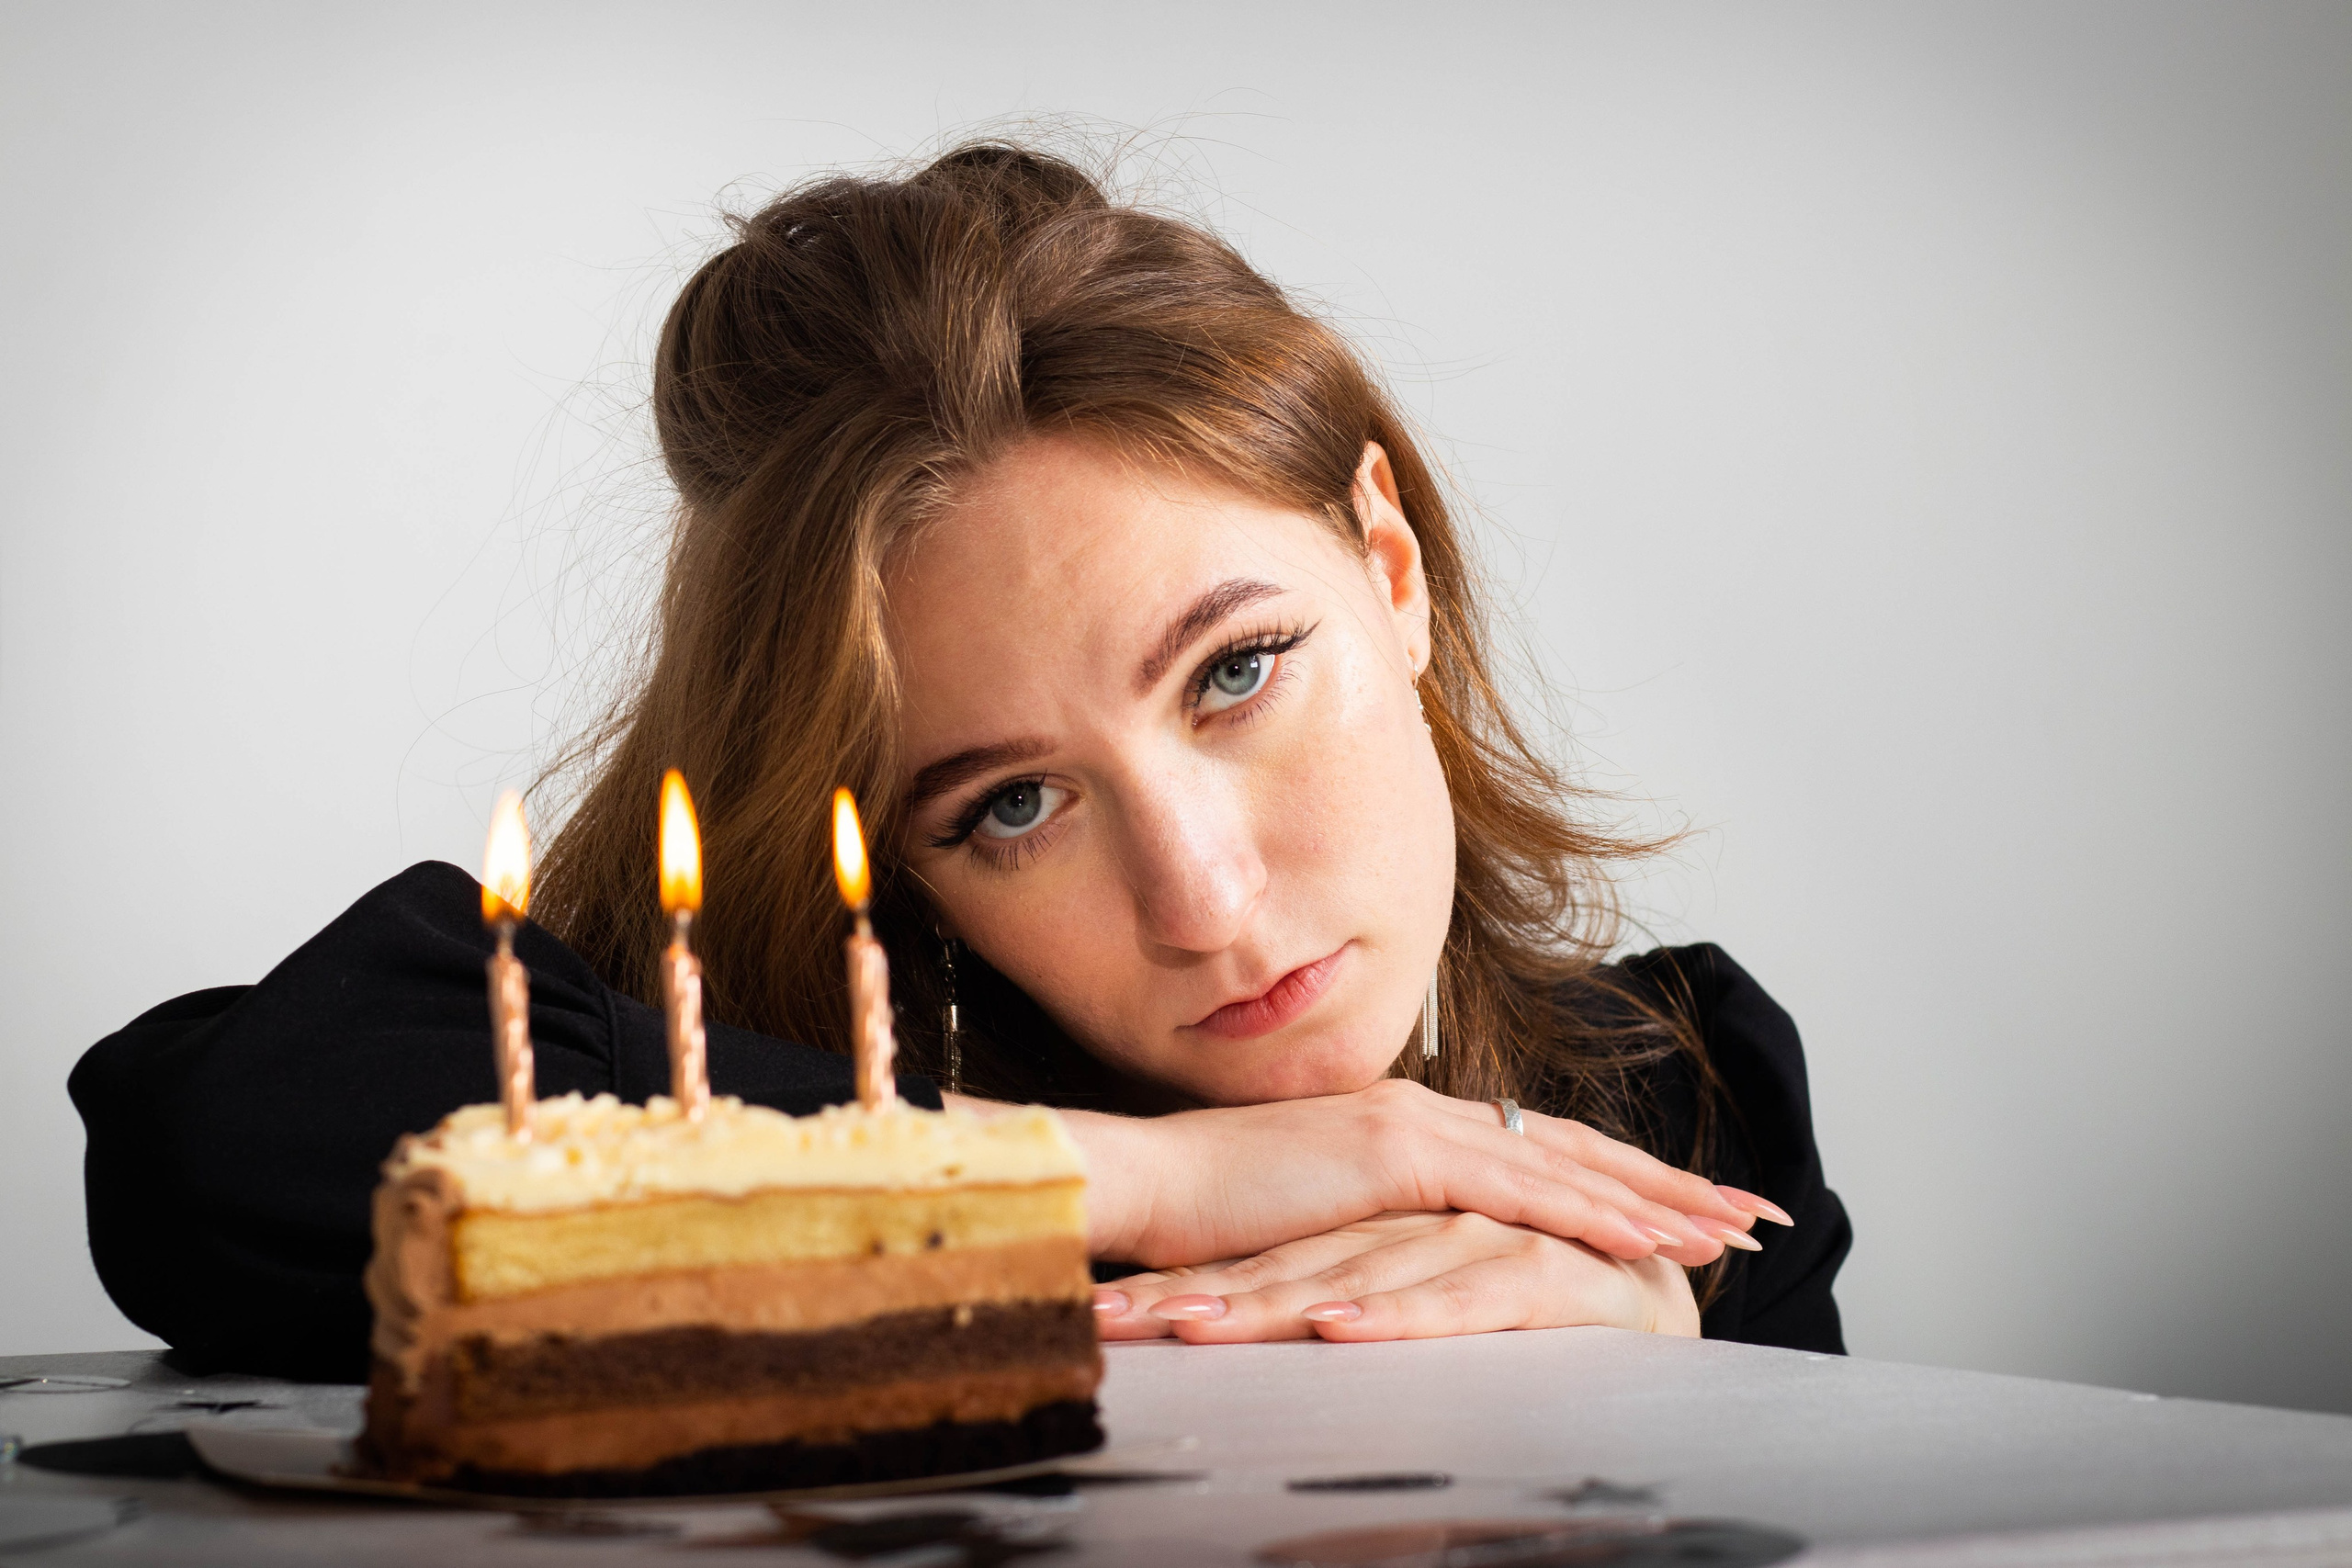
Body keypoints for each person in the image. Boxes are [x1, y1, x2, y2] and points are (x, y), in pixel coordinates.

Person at [72, 142, 1848, 1382]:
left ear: (1387, 568)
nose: (1204, 903)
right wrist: (1153, 1186)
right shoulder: (746, 1094)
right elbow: (222, 1150)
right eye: (1012, 804)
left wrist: (1669, 1344)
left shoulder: (1681, 1091)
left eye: (1236, 672)